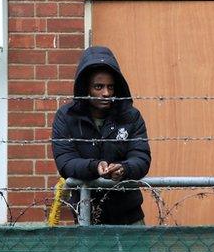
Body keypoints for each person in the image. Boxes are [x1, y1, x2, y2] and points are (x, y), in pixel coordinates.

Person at [52, 46, 151, 224]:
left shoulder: (130, 116)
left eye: (110, 87)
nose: (106, 93)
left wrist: (123, 169)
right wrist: (95, 167)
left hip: (128, 213)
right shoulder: (67, 117)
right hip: (87, 214)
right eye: (98, 87)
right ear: (86, 88)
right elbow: (65, 161)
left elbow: (141, 157)